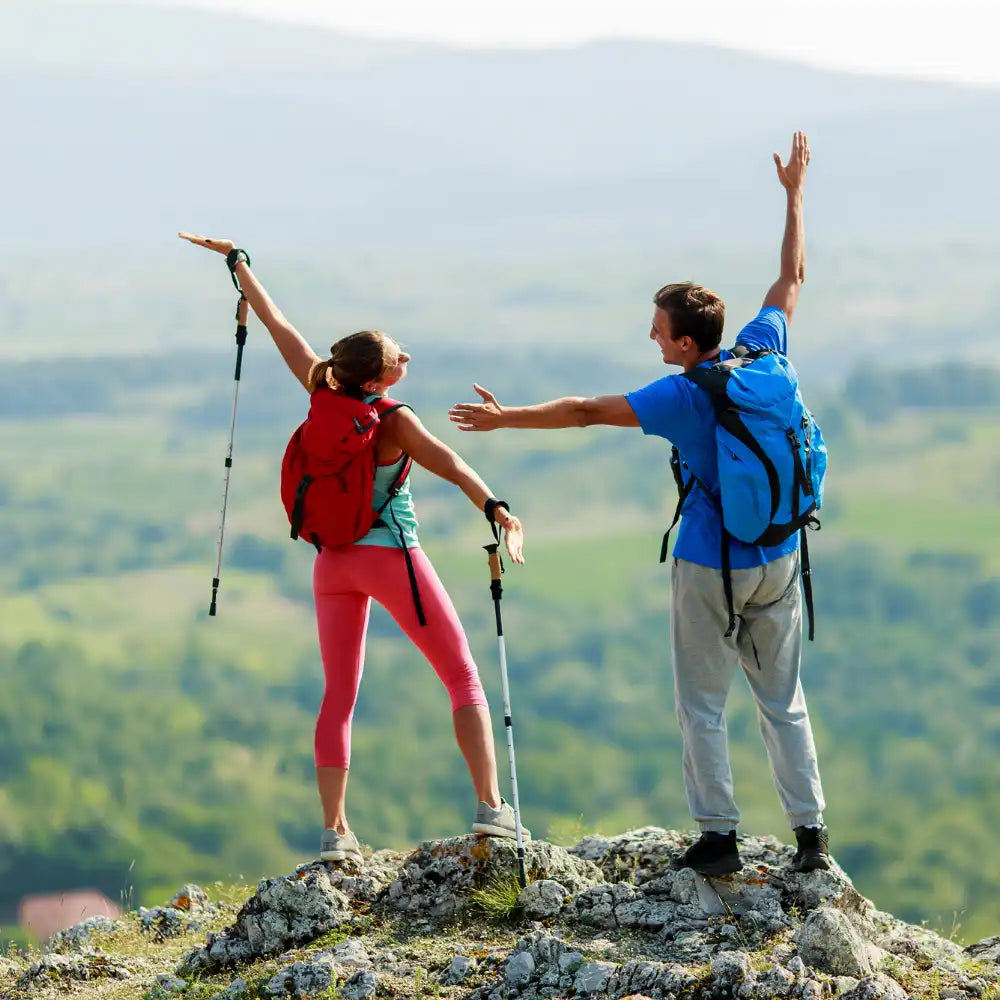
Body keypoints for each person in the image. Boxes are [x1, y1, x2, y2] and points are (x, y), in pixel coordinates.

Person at [448, 132, 831, 876]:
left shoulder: (684, 394)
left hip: (709, 563)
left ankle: (719, 836)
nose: (651, 339)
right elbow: (792, 277)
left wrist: (505, 418)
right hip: (783, 554)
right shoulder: (765, 351)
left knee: (703, 705)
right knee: (783, 701)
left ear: (687, 343)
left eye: (659, 331)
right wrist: (793, 194)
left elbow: (586, 411)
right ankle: (811, 838)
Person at [178, 233, 530, 864]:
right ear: (378, 377)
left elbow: (280, 326)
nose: (407, 358)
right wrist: (496, 507)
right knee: (462, 674)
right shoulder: (391, 421)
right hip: (392, 556)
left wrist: (241, 268)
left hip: (331, 564)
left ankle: (335, 832)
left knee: (338, 694)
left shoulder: (322, 390)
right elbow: (448, 463)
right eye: (399, 357)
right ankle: (491, 809)